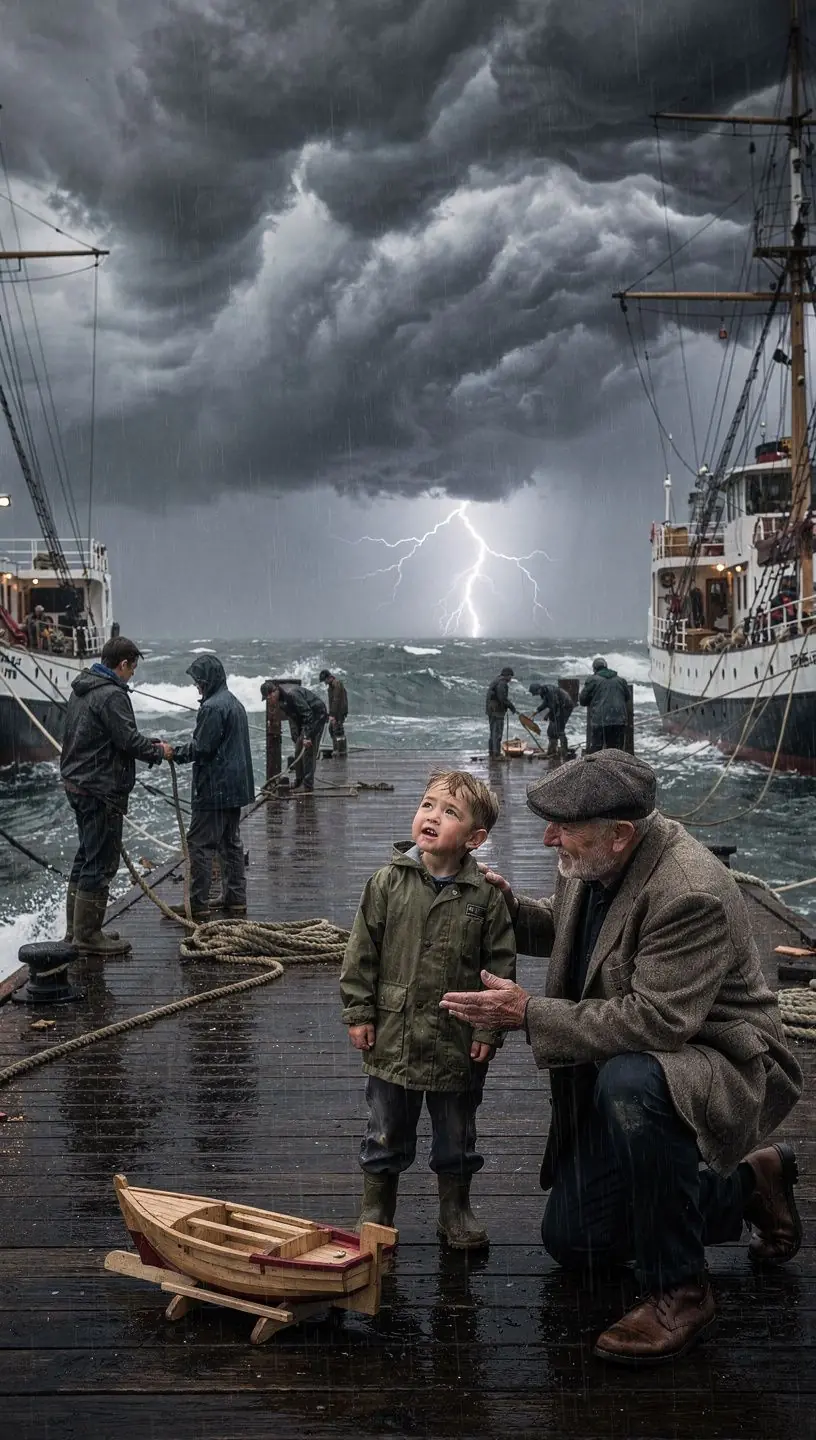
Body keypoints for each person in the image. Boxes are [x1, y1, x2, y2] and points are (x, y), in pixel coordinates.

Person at [440, 751, 803, 1363]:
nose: (549, 838)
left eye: (563, 828)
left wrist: (527, 1013)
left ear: (621, 833)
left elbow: (656, 1022)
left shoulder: (689, 891)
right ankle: (749, 1186)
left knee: (630, 1081)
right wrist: (509, 911)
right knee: (577, 1241)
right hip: (651, 1051)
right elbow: (578, 931)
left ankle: (681, 1290)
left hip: (720, 1056)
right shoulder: (597, 854)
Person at [341, 770, 516, 1248]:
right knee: (385, 1130)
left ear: (475, 839)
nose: (432, 817)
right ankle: (377, 1209)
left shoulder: (485, 896)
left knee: (457, 1134)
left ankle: (455, 1208)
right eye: (427, 805)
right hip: (393, 1035)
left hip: (456, 1039)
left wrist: (489, 1030)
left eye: (450, 812)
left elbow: (500, 966)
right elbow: (361, 954)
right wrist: (359, 1013)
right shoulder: (387, 883)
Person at [60, 636, 172, 955]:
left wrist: (146, 743)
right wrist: (158, 751)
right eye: (132, 669)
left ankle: (76, 931)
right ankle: (87, 937)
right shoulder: (112, 695)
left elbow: (108, 735)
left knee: (86, 856)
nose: (132, 675)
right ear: (123, 664)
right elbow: (127, 741)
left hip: (77, 784)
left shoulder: (83, 688)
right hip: (100, 789)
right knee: (100, 863)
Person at [167, 654, 255, 921]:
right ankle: (235, 899)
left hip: (215, 789)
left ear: (207, 681)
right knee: (230, 843)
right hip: (236, 788)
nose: (196, 686)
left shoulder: (212, 708)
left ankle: (197, 903)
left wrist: (173, 752)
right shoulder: (235, 703)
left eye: (198, 681)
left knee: (200, 845)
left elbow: (202, 748)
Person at [260, 680, 328, 792]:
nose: (269, 701)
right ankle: (299, 780)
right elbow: (296, 718)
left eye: (268, 698)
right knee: (298, 749)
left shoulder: (292, 695)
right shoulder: (281, 702)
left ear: (274, 692)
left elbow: (308, 714)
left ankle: (308, 785)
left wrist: (307, 737)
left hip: (317, 715)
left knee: (308, 751)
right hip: (306, 720)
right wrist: (299, 736)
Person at [579, 657, 630, 753]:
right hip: (619, 719)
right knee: (615, 751)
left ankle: (595, 763)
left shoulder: (592, 680)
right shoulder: (620, 680)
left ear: (595, 669)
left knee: (596, 750)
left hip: (600, 719)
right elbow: (627, 697)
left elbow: (582, 700)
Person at [529, 682, 574, 761]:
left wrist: (547, 715)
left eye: (536, 693)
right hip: (558, 706)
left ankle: (564, 752)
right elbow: (545, 704)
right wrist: (535, 712)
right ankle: (552, 750)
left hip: (565, 706)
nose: (536, 695)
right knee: (551, 730)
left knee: (560, 729)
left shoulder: (550, 692)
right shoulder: (544, 691)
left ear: (538, 689)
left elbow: (554, 706)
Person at [485, 666, 516, 758]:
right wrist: (511, 706)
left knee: (493, 732)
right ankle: (497, 754)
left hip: (491, 710)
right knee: (497, 732)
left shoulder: (496, 680)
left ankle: (491, 752)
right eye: (510, 676)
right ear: (507, 675)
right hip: (497, 711)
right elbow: (502, 698)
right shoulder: (502, 683)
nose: (510, 679)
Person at [319, 668, 349, 748]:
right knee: (332, 729)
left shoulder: (337, 684)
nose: (325, 683)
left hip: (339, 712)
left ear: (329, 678)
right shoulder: (331, 686)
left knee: (337, 730)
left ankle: (340, 750)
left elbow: (336, 700)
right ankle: (337, 748)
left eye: (325, 680)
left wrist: (332, 715)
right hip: (336, 712)